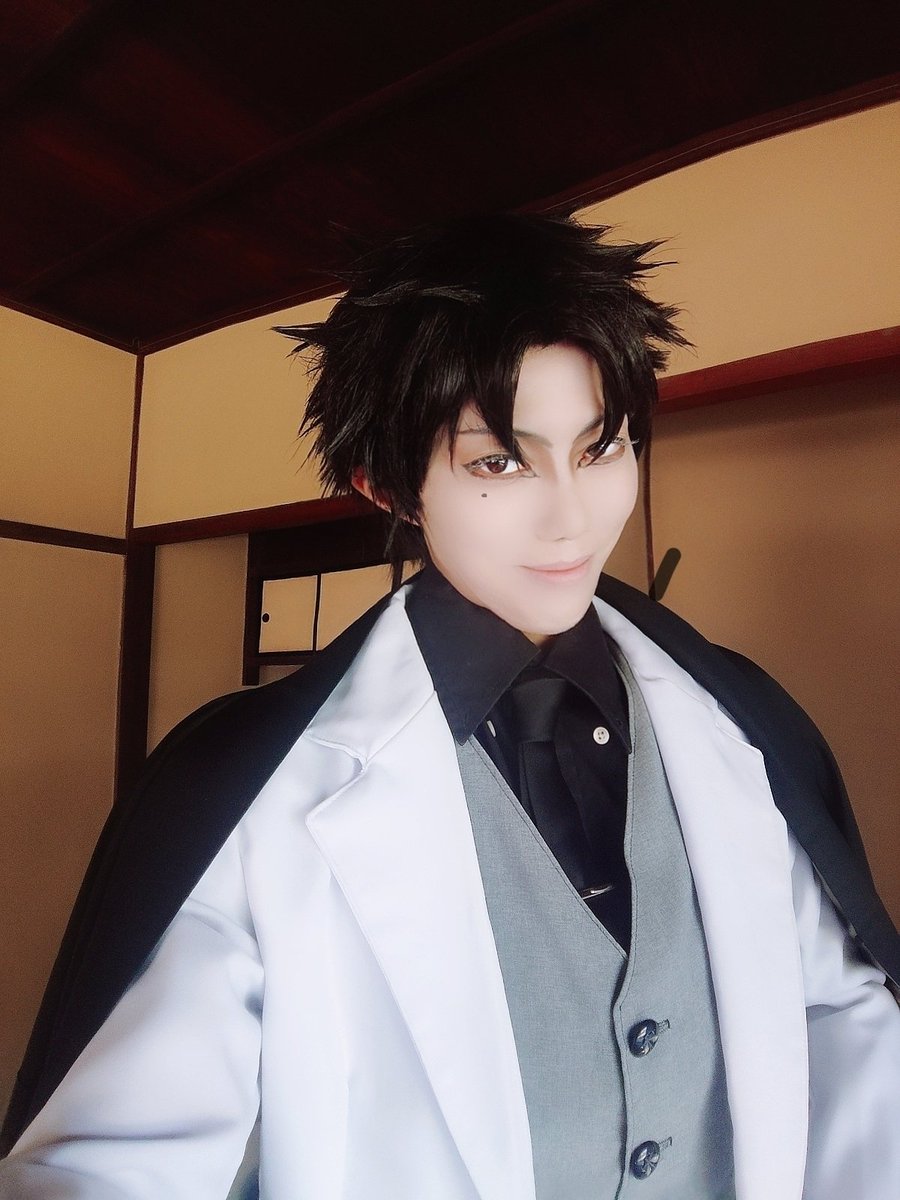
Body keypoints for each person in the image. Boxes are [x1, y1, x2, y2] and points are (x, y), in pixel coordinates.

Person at [1, 214, 898, 1200]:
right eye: (498, 462)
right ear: (387, 483)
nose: (572, 518)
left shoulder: (739, 716)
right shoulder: (250, 793)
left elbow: (843, 1022)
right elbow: (113, 1164)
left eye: (601, 447)